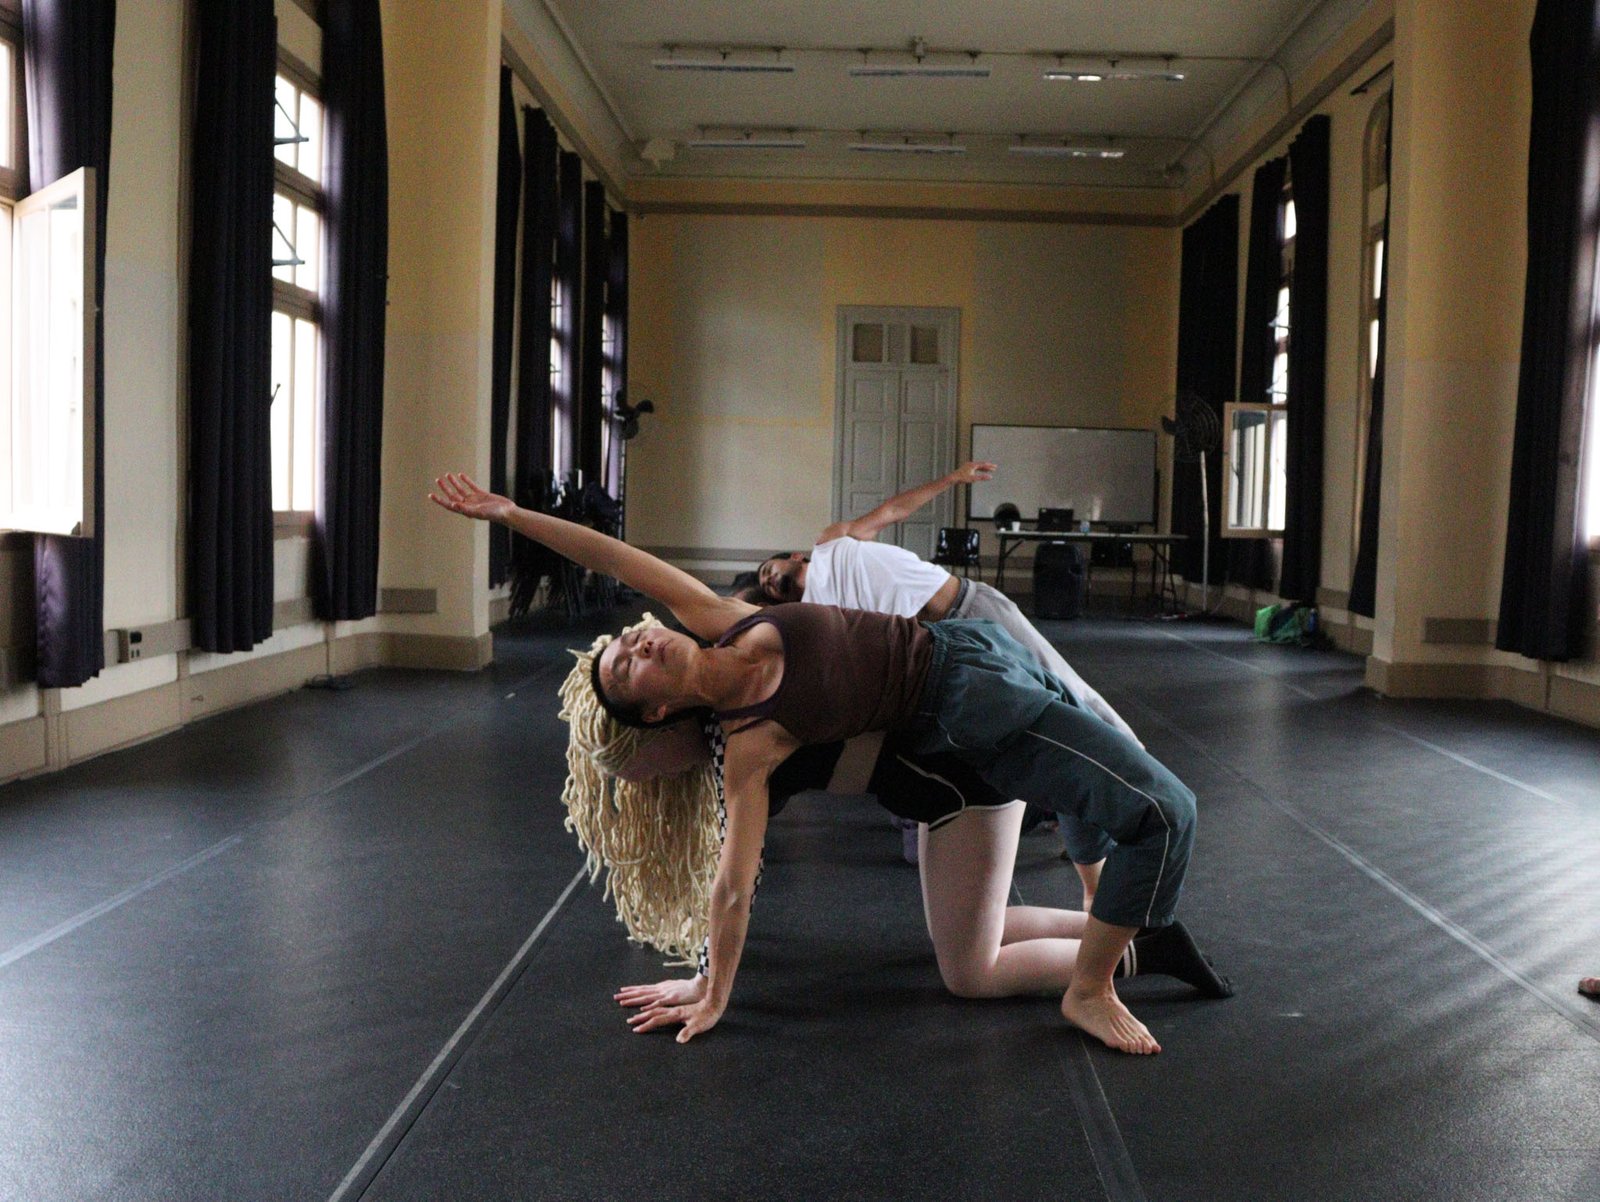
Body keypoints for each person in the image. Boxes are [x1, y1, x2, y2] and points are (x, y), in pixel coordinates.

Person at [429, 472, 1200, 1055]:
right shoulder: (749, 749)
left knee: (1118, 812)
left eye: (628, 641)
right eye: (628, 668)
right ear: (659, 712)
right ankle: (1131, 941)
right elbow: (733, 883)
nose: (636, 642)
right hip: (953, 759)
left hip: (973, 690)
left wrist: (512, 516)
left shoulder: (724, 620)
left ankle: (1107, 956)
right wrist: (713, 988)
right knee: (971, 966)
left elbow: (622, 560)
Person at [756, 460, 1140, 902]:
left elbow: (893, 510)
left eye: (770, 567)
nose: (769, 578)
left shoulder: (830, 543)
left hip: (970, 608)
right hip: (945, 652)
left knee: (1070, 695)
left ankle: (1133, 768)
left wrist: (953, 479)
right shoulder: (811, 620)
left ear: (795, 557)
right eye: (766, 585)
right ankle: (1071, 815)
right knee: (1034, 728)